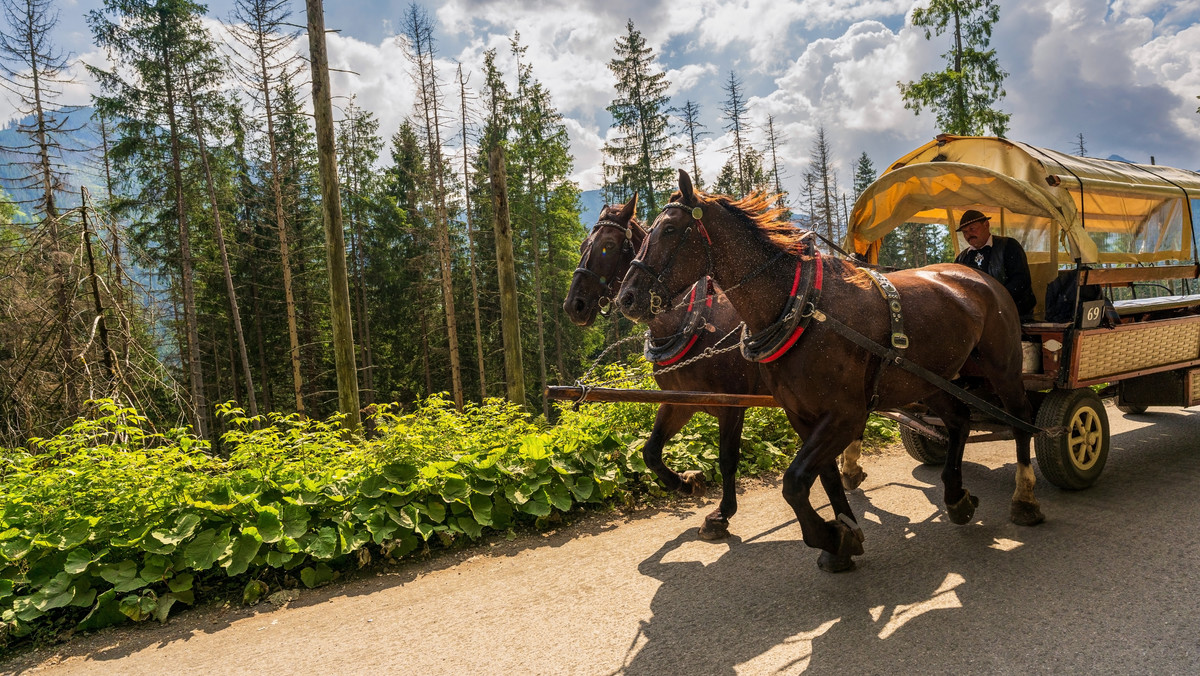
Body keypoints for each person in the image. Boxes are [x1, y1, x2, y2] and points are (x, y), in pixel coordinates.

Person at [953, 209, 1036, 318]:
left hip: (1013, 314)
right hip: (979, 316)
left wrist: (994, 301)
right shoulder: (962, 258)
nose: (969, 234)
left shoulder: (1008, 246)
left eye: (972, 229)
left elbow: (1021, 280)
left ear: (986, 225)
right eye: (965, 232)